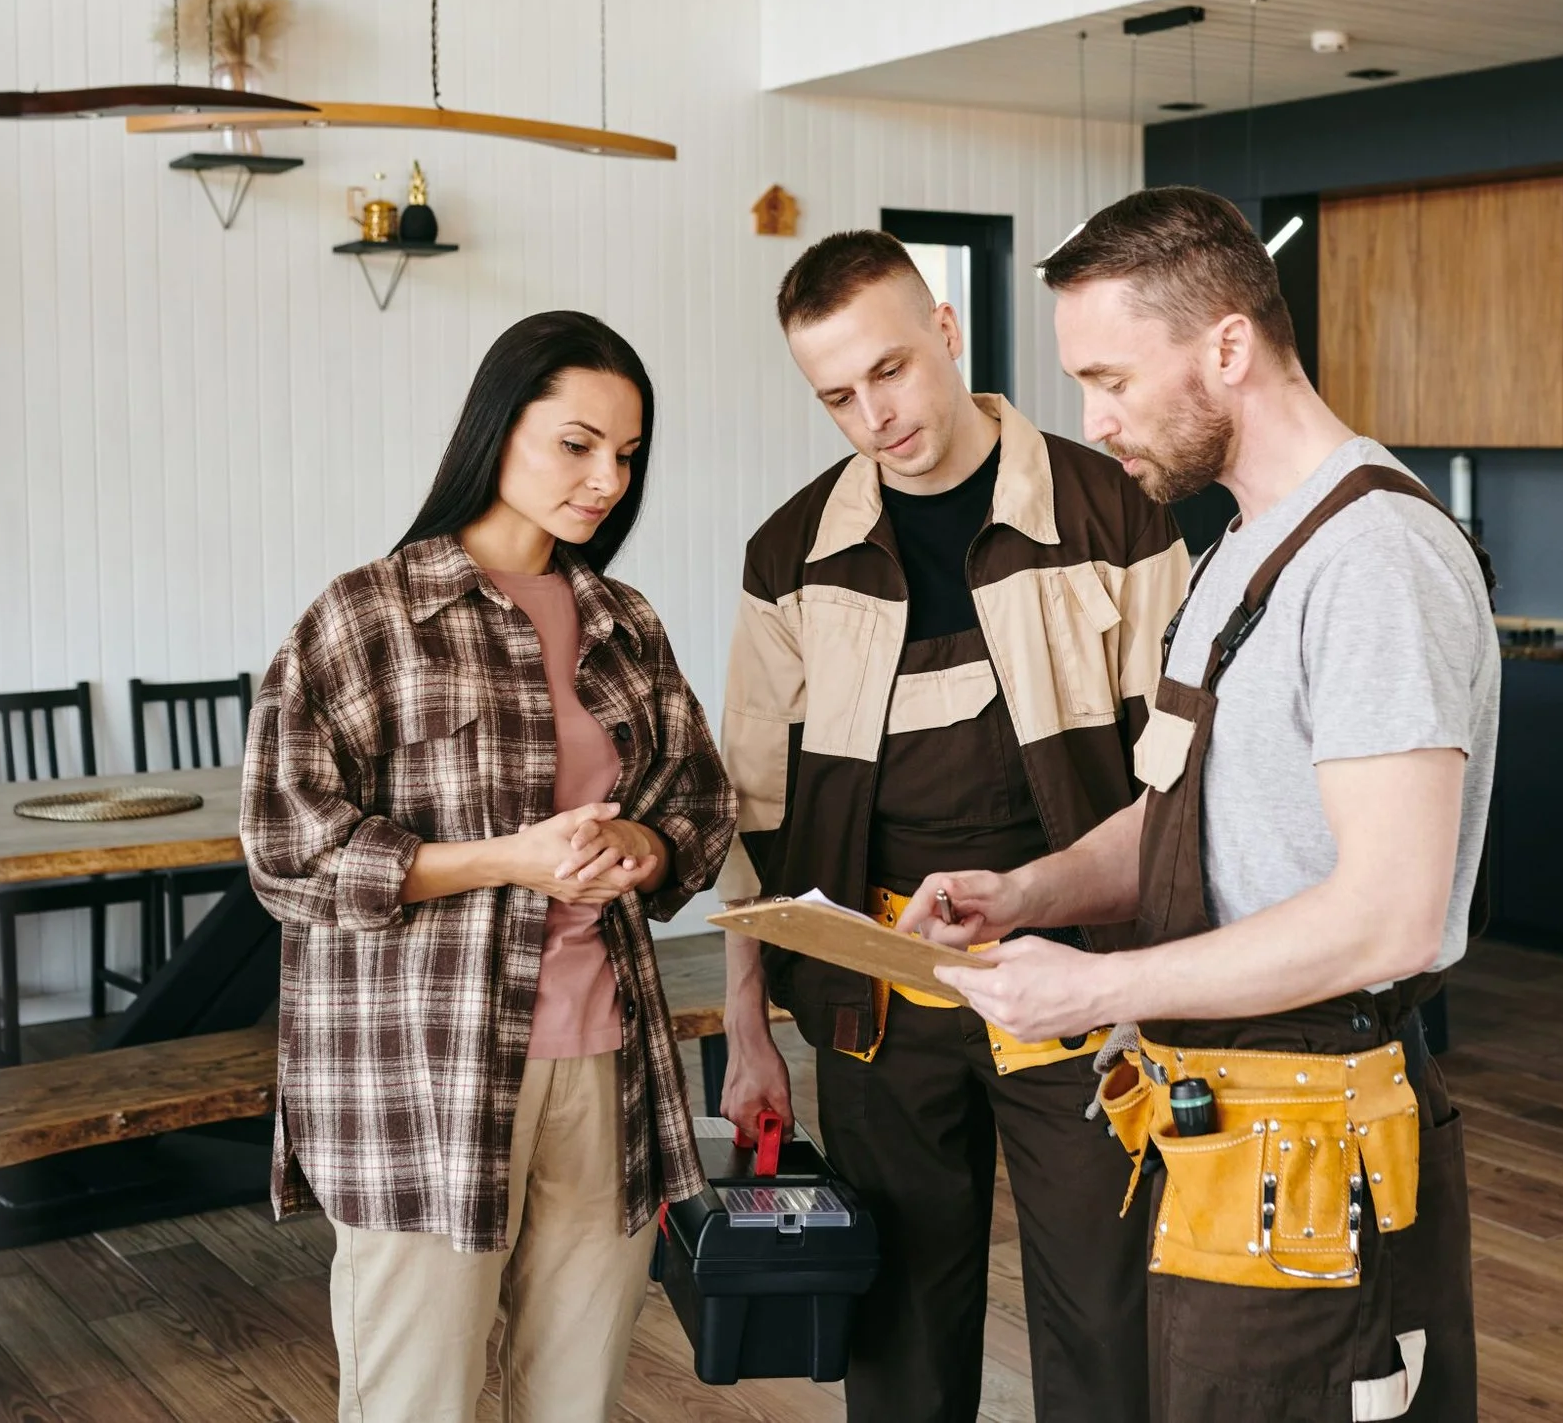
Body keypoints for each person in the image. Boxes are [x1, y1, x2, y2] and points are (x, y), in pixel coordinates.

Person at [900, 188, 1494, 1423]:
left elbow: (1389, 917)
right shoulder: (1235, 550)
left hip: (1326, 1140)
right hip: (1227, 1126)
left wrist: (1096, 987)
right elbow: (1181, 815)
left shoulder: (1373, 560)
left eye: (1110, 378)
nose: (1091, 419)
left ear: (1227, 346)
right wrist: (1029, 891)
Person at [712, 231, 1189, 1423]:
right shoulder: (789, 558)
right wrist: (746, 1022)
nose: (872, 415)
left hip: (1081, 988)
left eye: (888, 370)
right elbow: (755, 807)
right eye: (835, 395)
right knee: (903, 1336)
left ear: (945, 327)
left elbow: (1181, 782)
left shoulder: (1113, 508)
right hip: (878, 1004)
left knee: (1108, 1320)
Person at [241, 311, 737, 1423]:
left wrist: (643, 844)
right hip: (424, 1072)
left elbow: (699, 802)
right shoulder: (366, 616)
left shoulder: (623, 619)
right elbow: (285, 847)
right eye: (577, 442)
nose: (607, 477)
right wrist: (505, 859)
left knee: (574, 1400)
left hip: (605, 1063)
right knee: (416, 1400)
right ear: (496, 427)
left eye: (628, 452)